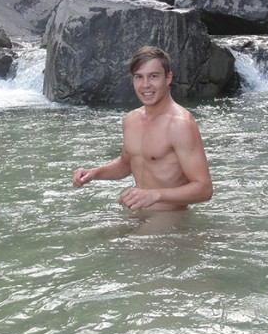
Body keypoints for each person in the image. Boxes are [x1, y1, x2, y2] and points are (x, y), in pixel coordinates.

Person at [72, 46, 212, 211]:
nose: (145, 85)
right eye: (139, 77)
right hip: (136, 213)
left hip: (170, 222)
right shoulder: (131, 119)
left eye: (153, 76)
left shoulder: (180, 125)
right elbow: (126, 164)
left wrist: (156, 195)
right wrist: (94, 173)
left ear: (168, 78)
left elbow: (204, 189)